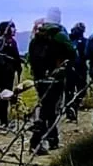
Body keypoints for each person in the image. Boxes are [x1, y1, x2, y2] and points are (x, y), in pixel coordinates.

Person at [27, 9, 76, 156]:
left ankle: (52, 139)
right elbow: (73, 54)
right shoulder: (60, 36)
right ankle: (36, 142)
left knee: (46, 106)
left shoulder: (36, 38)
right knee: (50, 109)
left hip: (40, 78)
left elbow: (30, 58)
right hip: (55, 78)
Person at [0, 21, 23, 130]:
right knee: (5, 97)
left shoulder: (4, 42)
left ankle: (2, 121)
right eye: (13, 28)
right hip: (5, 73)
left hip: (2, 73)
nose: (14, 30)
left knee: (4, 97)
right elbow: (15, 58)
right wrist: (18, 68)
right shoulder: (7, 42)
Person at [67, 23, 88, 122]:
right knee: (81, 90)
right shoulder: (83, 41)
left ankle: (70, 110)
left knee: (70, 91)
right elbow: (86, 54)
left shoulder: (68, 39)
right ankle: (73, 106)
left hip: (71, 69)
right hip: (80, 69)